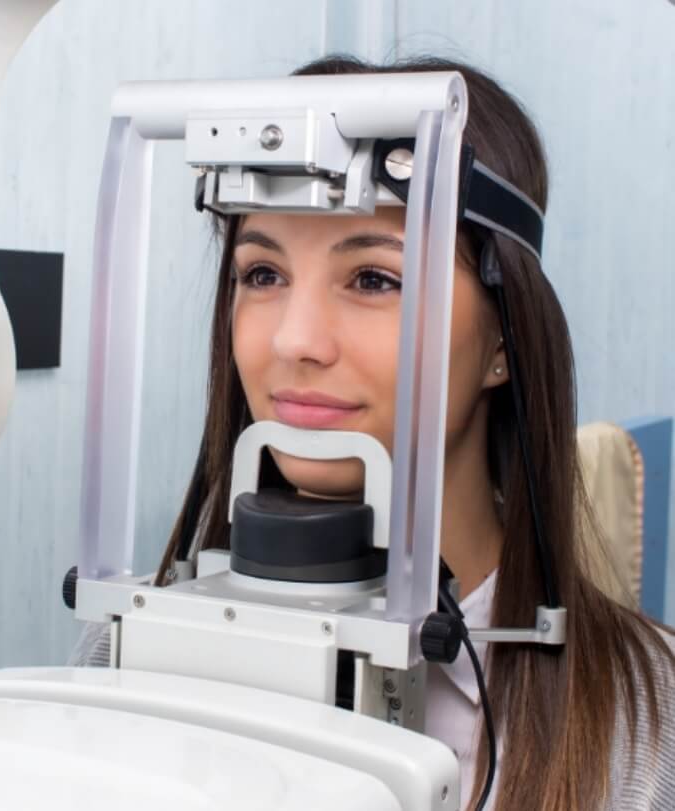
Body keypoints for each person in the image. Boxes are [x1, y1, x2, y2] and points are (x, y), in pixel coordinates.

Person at [72, 55, 675, 810]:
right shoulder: (128, 652)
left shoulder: (650, 725)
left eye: (374, 280)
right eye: (262, 274)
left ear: (502, 341)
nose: (294, 340)